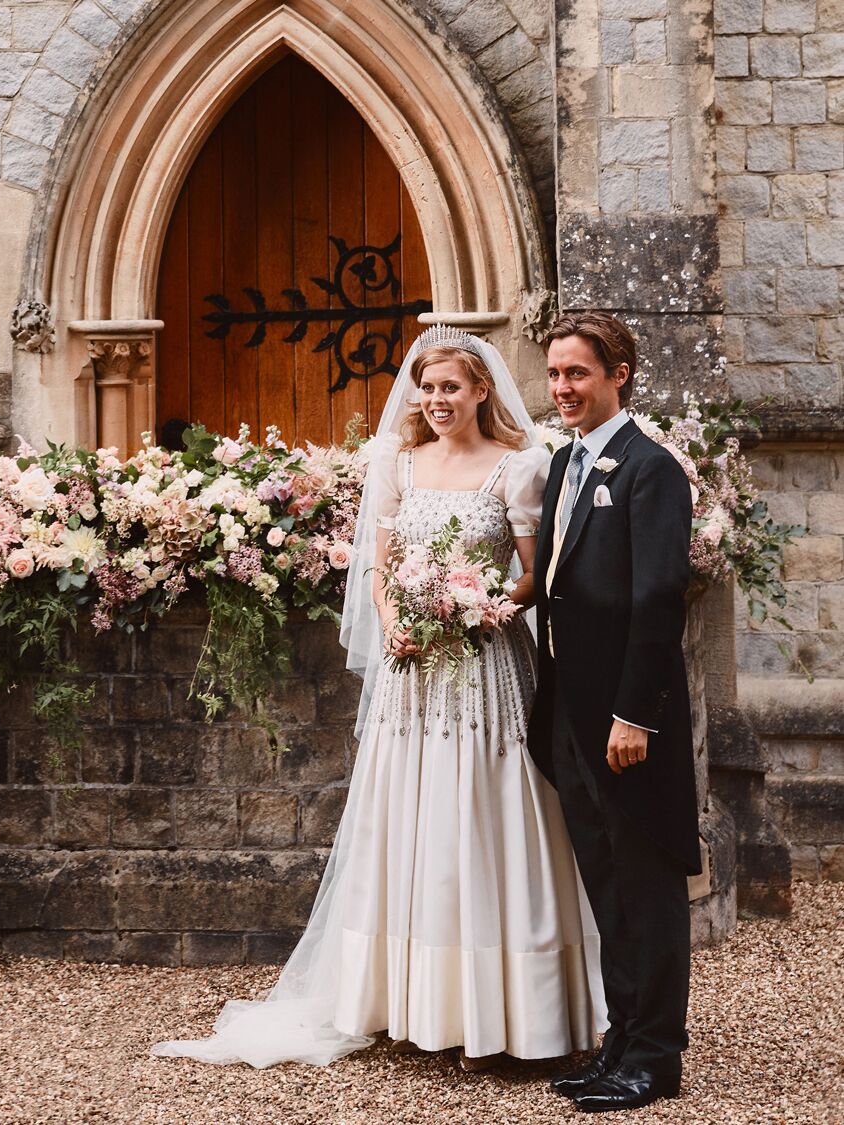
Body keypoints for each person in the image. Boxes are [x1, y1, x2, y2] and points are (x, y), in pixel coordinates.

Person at [154, 325, 603, 1068]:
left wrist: (481, 606)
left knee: (486, 817)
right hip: (412, 672)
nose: (436, 401)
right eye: (427, 389)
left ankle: (508, 1010)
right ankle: (407, 1000)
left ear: (481, 391)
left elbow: (533, 573)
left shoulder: (519, 468)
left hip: (484, 667)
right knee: (412, 816)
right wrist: (399, 623)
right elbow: (378, 568)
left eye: (450, 388)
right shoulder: (397, 460)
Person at [531, 312, 697, 1111]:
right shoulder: (566, 462)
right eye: (555, 374)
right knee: (606, 884)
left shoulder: (651, 469)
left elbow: (659, 597)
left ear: (619, 373)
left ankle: (656, 1057)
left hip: (630, 725)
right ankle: (620, 1039)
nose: (562, 388)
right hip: (572, 713)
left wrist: (635, 713)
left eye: (578, 374)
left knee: (647, 884)